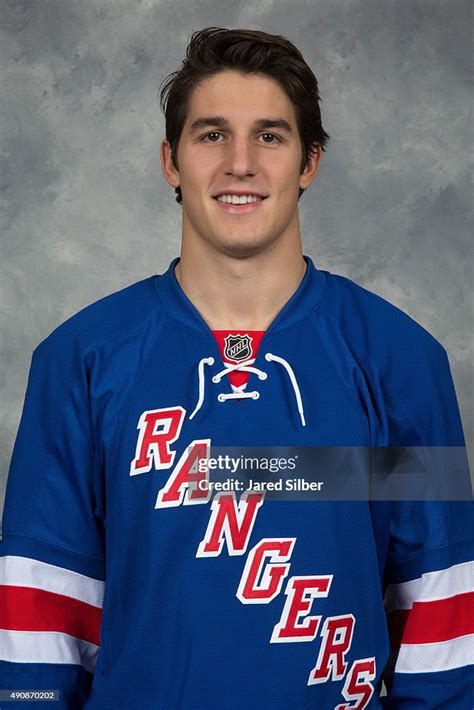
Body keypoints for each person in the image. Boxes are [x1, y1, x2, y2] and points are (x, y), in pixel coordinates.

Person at [0, 26, 472, 709]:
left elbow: (442, 619)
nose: (240, 164)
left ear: (309, 162)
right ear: (172, 160)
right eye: (211, 135)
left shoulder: (403, 360)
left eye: (271, 136)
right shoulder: (79, 359)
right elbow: (39, 627)